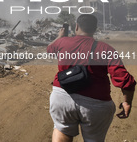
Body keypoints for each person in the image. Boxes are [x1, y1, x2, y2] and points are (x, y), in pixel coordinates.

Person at [48, 14, 135, 142]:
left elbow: (50, 49)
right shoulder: (106, 49)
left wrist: (60, 37)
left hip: (62, 97)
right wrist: (127, 102)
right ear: (95, 29)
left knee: (62, 130)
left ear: (76, 26)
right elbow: (125, 79)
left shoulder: (62, 42)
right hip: (96, 104)